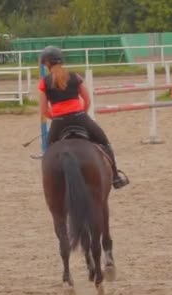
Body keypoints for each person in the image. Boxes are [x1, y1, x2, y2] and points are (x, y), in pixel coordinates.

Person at [38, 46, 129, 189]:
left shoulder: (44, 82)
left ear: (47, 64)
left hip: (58, 122)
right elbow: (87, 100)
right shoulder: (75, 77)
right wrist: (81, 114)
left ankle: (50, 184)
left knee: (48, 152)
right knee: (105, 143)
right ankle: (116, 178)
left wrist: (55, 117)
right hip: (80, 117)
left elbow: (43, 109)